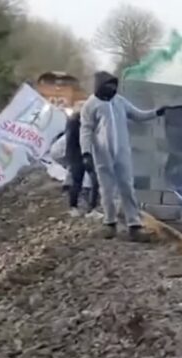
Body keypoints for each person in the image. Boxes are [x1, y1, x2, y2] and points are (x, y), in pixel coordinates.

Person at [79, 71, 164, 241]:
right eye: (108, 85)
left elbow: (138, 114)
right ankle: (109, 223)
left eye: (114, 85)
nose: (112, 89)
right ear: (100, 87)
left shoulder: (120, 101)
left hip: (122, 152)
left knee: (127, 187)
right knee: (107, 190)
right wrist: (86, 152)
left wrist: (156, 113)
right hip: (103, 154)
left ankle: (134, 225)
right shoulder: (90, 105)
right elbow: (86, 130)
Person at [65, 105, 101, 218]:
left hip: (86, 154)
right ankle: (74, 207)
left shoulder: (86, 121)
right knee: (77, 181)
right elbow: (72, 141)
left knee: (95, 180)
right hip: (77, 155)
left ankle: (91, 208)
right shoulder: (74, 122)